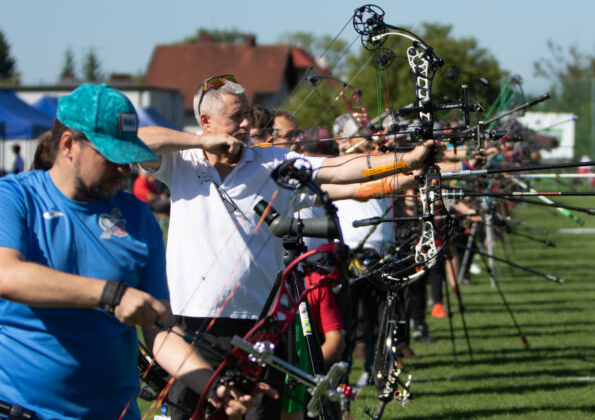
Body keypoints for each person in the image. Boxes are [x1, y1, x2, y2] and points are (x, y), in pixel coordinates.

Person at [137, 75, 438, 419]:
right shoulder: (181, 162)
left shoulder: (270, 161)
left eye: (248, 113)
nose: (247, 123)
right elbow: (138, 139)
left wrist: (408, 160)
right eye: (236, 117)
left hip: (260, 323)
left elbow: (340, 170)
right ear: (206, 121)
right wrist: (203, 141)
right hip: (192, 321)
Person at [0, 84, 265, 420]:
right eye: (112, 155)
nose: (126, 169)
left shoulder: (137, 216)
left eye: (129, 155)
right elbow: (7, 276)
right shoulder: (15, 198)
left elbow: (160, 332)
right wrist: (112, 294)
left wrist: (215, 388)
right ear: (69, 145)